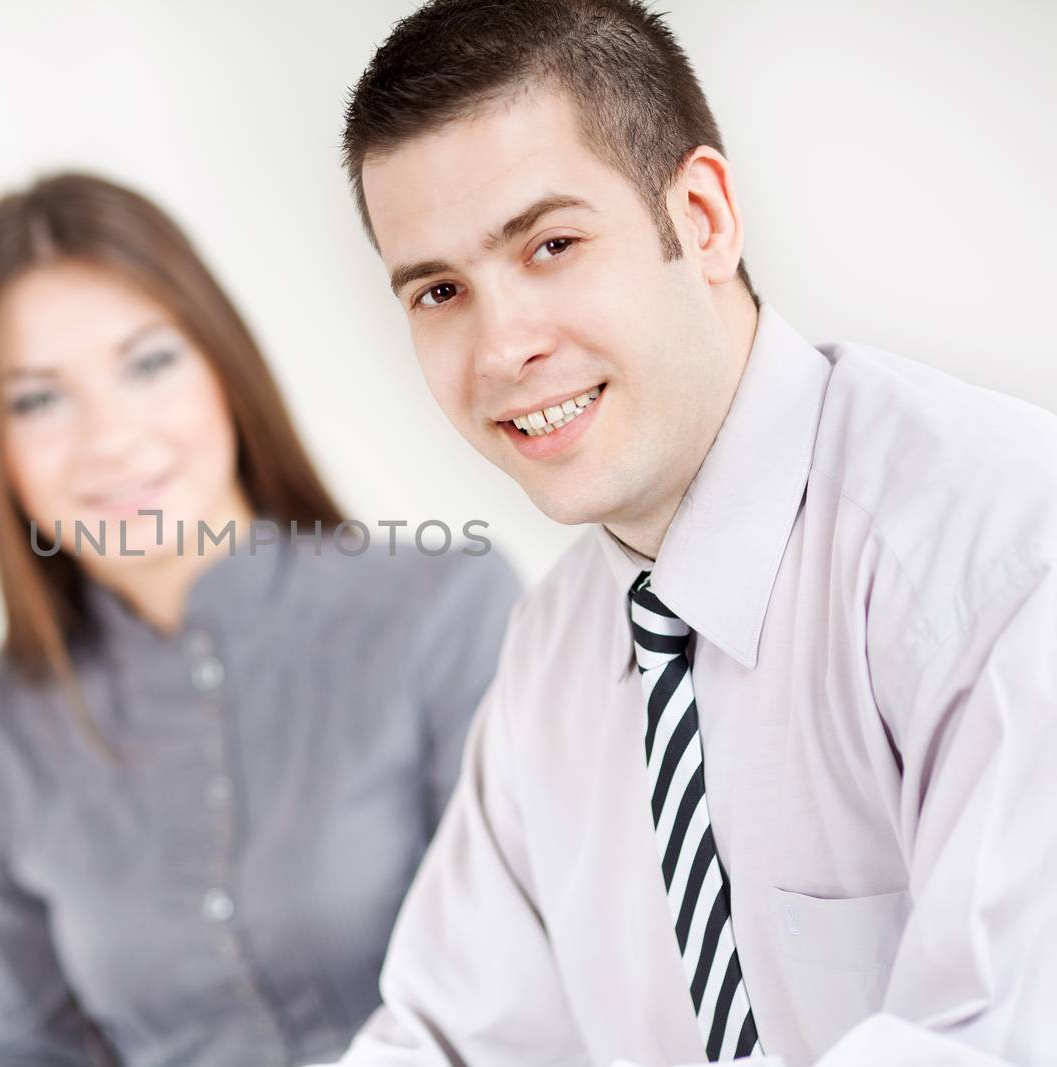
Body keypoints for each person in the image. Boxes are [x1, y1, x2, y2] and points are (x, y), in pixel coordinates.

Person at [326, 1, 1057, 1065]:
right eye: (439, 291)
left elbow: (989, 1038)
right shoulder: (555, 648)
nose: (500, 347)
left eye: (551, 245)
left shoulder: (995, 548)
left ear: (704, 217)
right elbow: (448, 1035)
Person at [0, 172, 522, 1067]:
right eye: (38, 400)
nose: (110, 438)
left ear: (222, 367)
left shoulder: (441, 607)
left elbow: (523, 981)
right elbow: (19, 1046)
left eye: (149, 362)